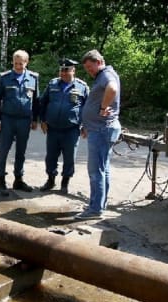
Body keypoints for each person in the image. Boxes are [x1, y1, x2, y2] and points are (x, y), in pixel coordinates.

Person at [75, 49, 121, 220]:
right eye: (86, 68)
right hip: (100, 128)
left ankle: (94, 210)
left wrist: (103, 108)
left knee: (96, 171)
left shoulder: (107, 75)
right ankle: (100, 204)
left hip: (102, 129)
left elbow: (112, 89)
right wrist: (88, 124)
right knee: (103, 169)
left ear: (99, 62)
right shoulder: (103, 75)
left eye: (90, 67)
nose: (89, 70)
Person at [0, 49, 39, 196]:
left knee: (21, 152)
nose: (18, 66)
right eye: (15, 63)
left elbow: (36, 101)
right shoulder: (5, 78)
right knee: (3, 151)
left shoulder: (33, 78)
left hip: (24, 121)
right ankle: (1, 181)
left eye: (21, 63)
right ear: (13, 62)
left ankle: (18, 179)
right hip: (8, 120)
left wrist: (35, 119)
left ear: (26, 62)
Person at [39, 58, 89, 194]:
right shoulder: (52, 84)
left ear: (73, 70)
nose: (63, 73)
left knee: (69, 157)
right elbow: (43, 102)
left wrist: (86, 125)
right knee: (51, 156)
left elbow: (87, 108)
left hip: (71, 130)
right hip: (53, 128)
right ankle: (50, 180)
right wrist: (42, 120)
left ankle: (65, 183)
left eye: (66, 70)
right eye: (61, 70)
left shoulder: (82, 87)